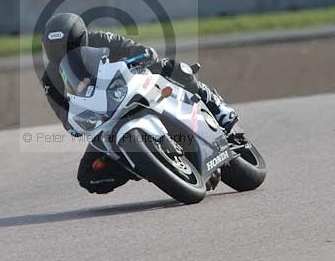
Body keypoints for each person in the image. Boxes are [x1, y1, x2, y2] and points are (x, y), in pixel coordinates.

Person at [40, 13, 239, 194]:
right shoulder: (50, 79)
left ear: (82, 38)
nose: (61, 53)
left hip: (134, 88)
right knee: (88, 177)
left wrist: (143, 54)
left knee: (168, 66)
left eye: (67, 46)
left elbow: (131, 48)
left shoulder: (100, 39)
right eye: (54, 49)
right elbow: (64, 114)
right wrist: (75, 125)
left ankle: (216, 107)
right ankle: (147, 165)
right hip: (106, 118)